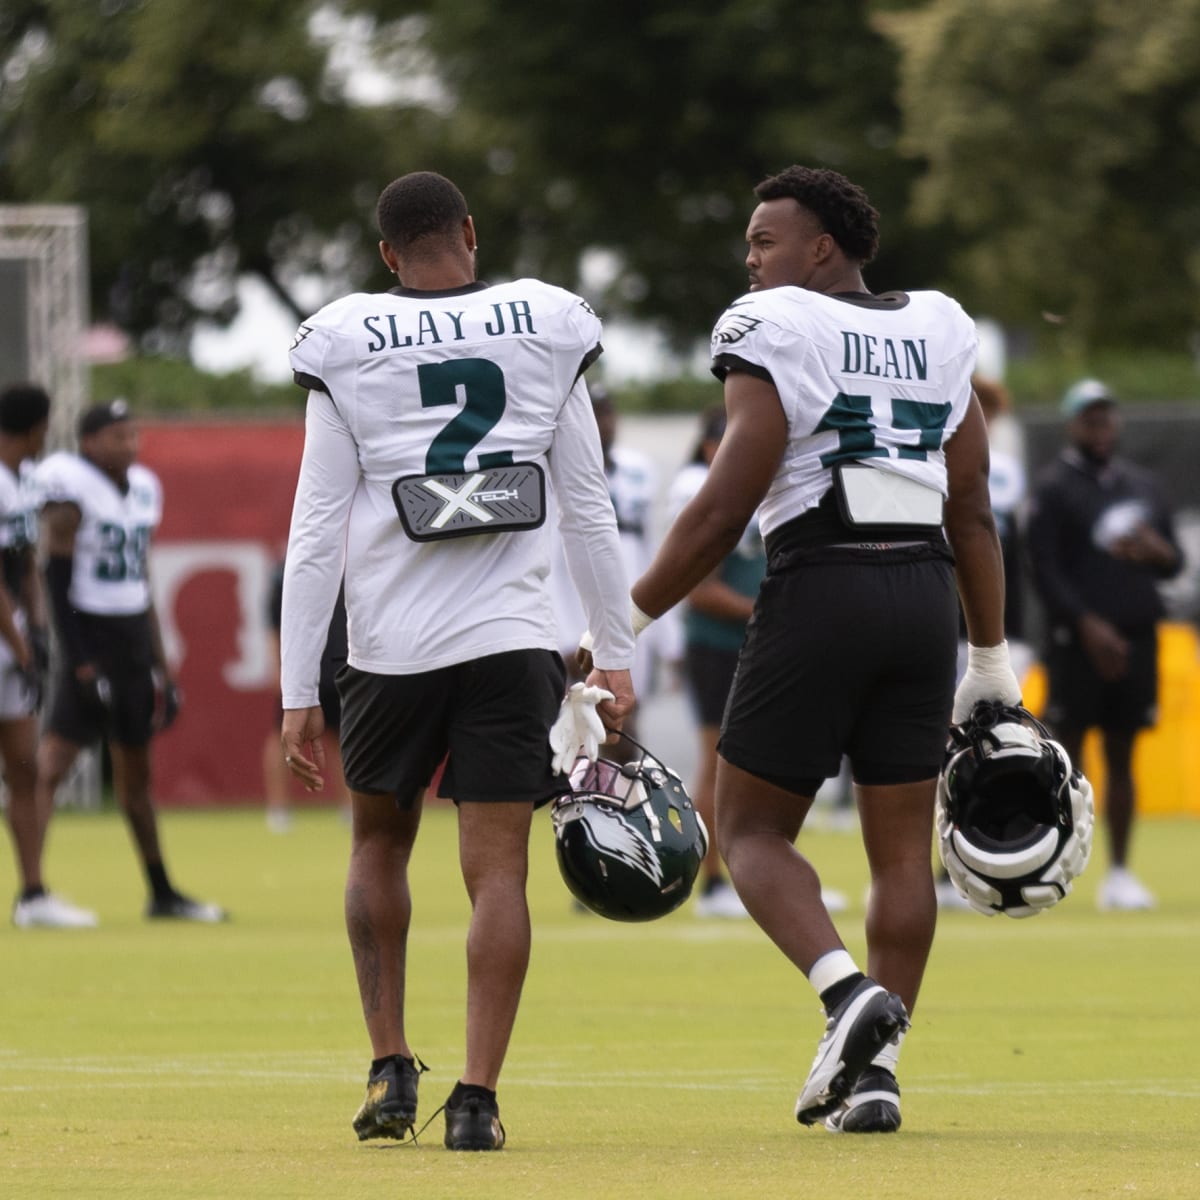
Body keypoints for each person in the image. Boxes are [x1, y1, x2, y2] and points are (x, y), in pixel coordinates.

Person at [627, 166, 1019, 1133]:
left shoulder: (773, 327)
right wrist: (988, 659)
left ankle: (849, 998)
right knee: (899, 861)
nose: (750, 260)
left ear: (822, 248)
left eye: (766, 241)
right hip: (924, 594)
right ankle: (878, 1078)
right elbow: (970, 508)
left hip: (821, 584)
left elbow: (724, 503)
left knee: (749, 832)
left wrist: (620, 622)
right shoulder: (937, 325)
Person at [279, 171, 635, 1151]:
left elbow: (315, 530)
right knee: (498, 876)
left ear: (387, 253)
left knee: (376, 846)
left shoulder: (347, 336)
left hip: (390, 643)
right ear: (470, 233)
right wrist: (616, 648)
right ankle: (476, 1100)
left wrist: (296, 687)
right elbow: (588, 503)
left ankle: (391, 1065)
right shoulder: (546, 322)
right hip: (514, 636)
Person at [34, 399, 228, 924]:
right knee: (48, 767)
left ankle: (161, 891)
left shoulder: (143, 486)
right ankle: (32, 890)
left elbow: (141, 581)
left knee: (135, 779)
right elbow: (54, 576)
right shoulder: (68, 484)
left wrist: (162, 666)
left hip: (129, 640)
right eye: (118, 436)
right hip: (87, 635)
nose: (130, 444)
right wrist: (78, 663)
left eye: (132, 435)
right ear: (88, 442)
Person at [1026, 379, 1182, 911]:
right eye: (1089, 419)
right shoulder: (1053, 488)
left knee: (1123, 751)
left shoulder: (1144, 485)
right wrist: (1087, 624)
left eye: (1106, 417)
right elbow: (1043, 568)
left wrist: (1159, 552)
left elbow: (1174, 562)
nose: (1100, 427)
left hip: (1137, 638)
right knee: (1066, 756)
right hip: (1078, 642)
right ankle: (1055, 866)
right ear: (1073, 425)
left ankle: (1118, 873)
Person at [2, 384, 97, 928]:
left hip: (12, 641)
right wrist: (22, 645)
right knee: (22, 766)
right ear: (36, 427)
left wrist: (35, 632)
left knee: (22, 768)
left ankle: (33, 893)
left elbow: (26, 563)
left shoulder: (23, 483)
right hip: (5, 643)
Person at [261, 556, 349, 832]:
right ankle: (278, 810)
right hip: (302, 669)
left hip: (341, 665)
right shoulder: (284, 572)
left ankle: (350, 808)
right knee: (283, 736)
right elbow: (275, 624)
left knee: (343, 739)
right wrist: (279, 668)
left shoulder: (352, 560)